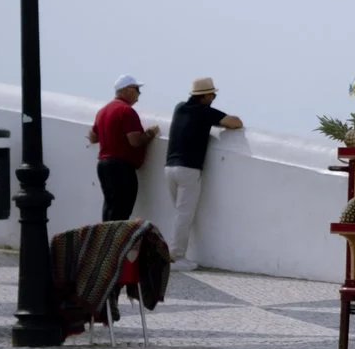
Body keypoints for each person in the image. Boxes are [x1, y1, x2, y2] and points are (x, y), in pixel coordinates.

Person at [162, 77, 245, 262]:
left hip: (169, 167)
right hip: (188, 169)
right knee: (184, 214)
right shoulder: (205, 112)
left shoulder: (179, 108)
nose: (214, 97)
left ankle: (175, 252)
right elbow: (235, 122)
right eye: (213, 94)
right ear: (205, 96)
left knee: (179, 213)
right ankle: (175, 256)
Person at [90, 75, 155, 222]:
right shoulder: (126, 111)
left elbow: (93, 137)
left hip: (103, 164)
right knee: (122, 208)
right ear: (127, 90)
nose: (139, 95)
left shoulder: (103, 111)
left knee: (110, 205)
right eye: (137, 89)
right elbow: (135, 141)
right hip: (121, 166)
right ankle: (117, 242)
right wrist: (149, 134)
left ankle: (106, 240)